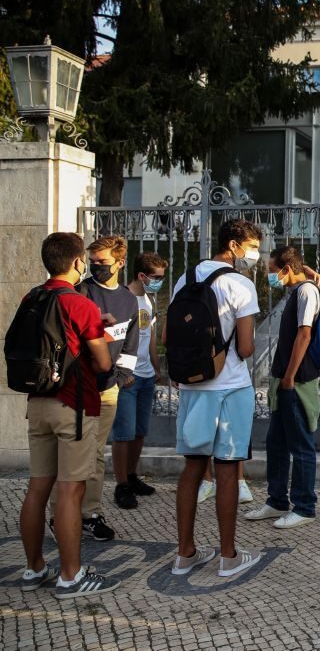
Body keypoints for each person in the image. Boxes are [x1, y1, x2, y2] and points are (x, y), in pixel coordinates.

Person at [19, 232, 117, 598]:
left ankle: (33, 569)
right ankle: (70, 576)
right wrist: (101, 334)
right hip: (74, 406)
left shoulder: (33, 296)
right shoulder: (79, 303)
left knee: (36, 488)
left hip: (38, 402)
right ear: (78, 263)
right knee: (71, 491)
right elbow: (103, 362)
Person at [169, 219, 262, 578]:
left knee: (192, 468)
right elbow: (247, 346)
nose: (254, 254)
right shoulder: (240, 284)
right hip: (230, 387)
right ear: (235, 245)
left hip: (193, 385)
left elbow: (169, 330)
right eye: (251, 246)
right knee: (226, 470)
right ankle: (228, 556)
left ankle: (185, 553)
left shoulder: (186, 278)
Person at [49, 235, 139, 542]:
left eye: (103, 262)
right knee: (71, 454)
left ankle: (90, 513)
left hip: (107, 388)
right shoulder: (81, 291)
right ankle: (58, 514)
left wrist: (122, 373)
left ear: (119, 262)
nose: (96, 267)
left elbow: (130, 339)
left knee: (96, 453)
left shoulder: (128, 300)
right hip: (76, 387)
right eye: (93, 262)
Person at [244, 246, 320, 530]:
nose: (269, 276)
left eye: (272, 270)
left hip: (296, 380)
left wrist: (289, 377)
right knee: (276, 443)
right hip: (284, 379)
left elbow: (304, 333)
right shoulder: (301, 288)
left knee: (300, 444)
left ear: (287, 269)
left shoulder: (305, 292)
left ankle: (304, 505)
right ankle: (276, 499)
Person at [111, 251, 167, 510]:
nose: (159, 282)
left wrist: (157, 369)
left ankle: (132, 476)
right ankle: (121, 485)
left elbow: (150, 338)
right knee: (123, 434)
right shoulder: (123, 300)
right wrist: (124, 373)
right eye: (155, 278)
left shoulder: (148, 299)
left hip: (146, 376)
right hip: (129, 378)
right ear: (141, 275)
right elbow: (115, 341)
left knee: (139, 432)